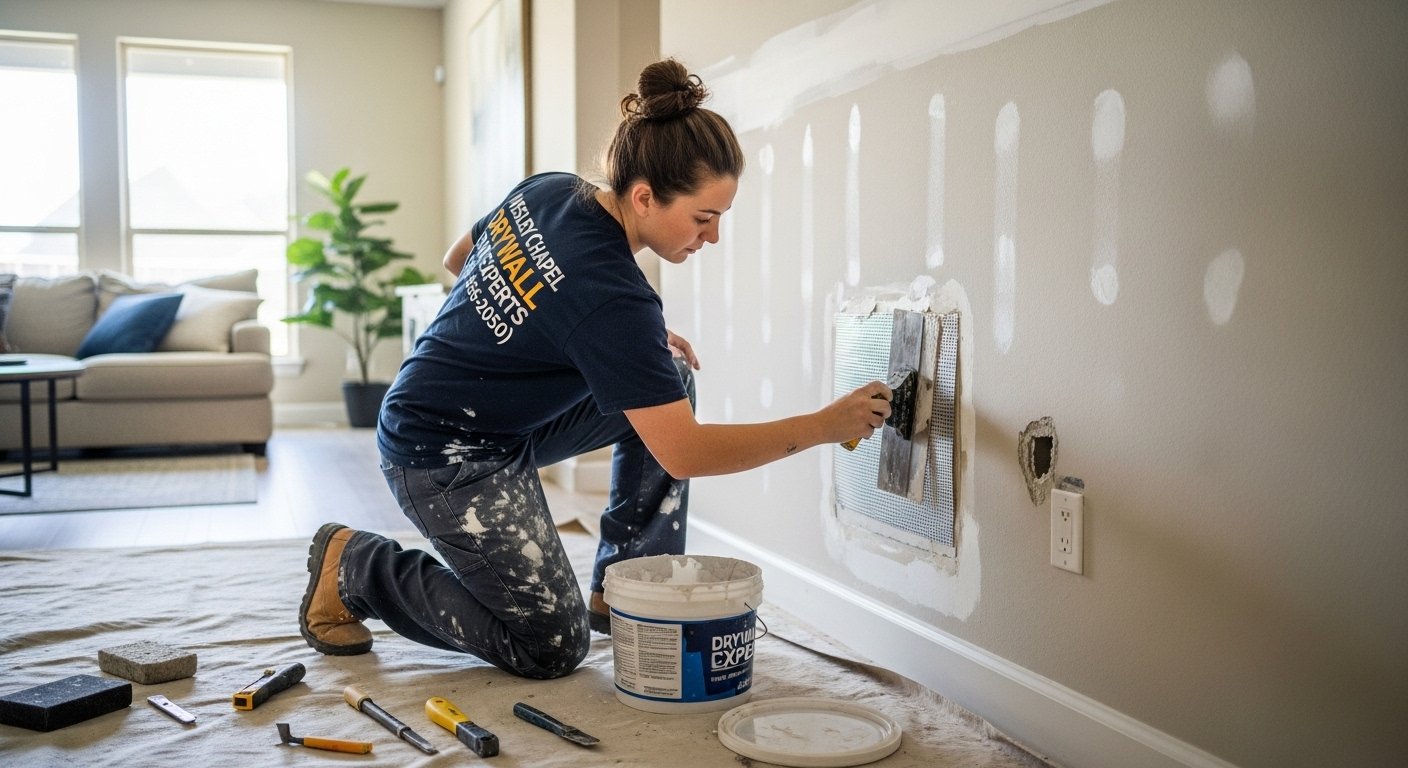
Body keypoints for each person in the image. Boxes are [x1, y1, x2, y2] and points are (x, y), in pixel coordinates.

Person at [298, 58, 892, 679]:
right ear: (644, 197)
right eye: (703, 218)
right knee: (550, 646)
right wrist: (823, 426)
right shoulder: (615, 300)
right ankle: (358, 567)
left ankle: (626, 587)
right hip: (438, 453)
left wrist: (604, 343)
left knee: (670, 379)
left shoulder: (552, 190)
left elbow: (459, 258)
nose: (713, 237)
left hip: (478, 418)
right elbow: (685, 454)